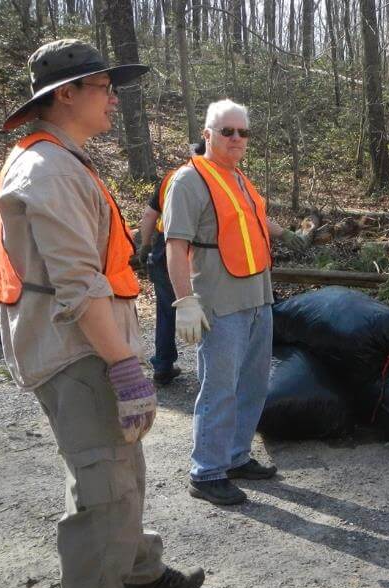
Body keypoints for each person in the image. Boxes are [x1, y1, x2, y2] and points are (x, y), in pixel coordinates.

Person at [0, 40, 204, 588]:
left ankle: (136, 575)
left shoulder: (62, 160)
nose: (115, 97)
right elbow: (77, 285)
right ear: (66, 94)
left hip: (89, 348)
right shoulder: (49, 170)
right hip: (81, 353)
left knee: (116, 469)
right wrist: (123, 366)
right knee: (104, 488)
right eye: (103, 87)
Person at [163, 99, 307, 506]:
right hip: (218, 301)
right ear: (207, 134)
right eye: (227, 131)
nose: (237, 139)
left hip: (258, 296)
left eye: (243, 132)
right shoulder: (188, 181)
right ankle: (206, 472)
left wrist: (292, 235)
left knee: (254, 383)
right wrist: (185, 302)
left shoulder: (240, 178)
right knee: (219, 388)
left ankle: (235, 456)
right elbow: (175, 247)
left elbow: (256, 223)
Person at [137, 140, 206, 386]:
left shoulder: (172, 178)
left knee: (167, 309)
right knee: (208, 308)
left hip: (164, 248)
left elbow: (148, 216)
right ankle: (212, 369)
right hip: (201, 251)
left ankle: (163, 365)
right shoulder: (215, 180)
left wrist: (145, 247)